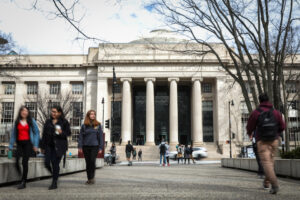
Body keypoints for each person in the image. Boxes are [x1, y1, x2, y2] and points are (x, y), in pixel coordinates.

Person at [247, 93, 285, 195]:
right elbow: (282, 126)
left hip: (262, 140)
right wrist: (277, 133)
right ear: (269, 100)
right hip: (274, 140)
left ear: (259, 101)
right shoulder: (276, 112)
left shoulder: (256, 112)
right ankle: (266, 182)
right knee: (270, 163)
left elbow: (250, 126)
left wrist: (250, 133)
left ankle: (275, 184)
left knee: (266, 163)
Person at [9, 106, 40, 189]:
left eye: (26, 111)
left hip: (28, 144)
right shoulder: (17, 122)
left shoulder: (31, 121)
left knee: (24, 162)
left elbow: (37, 132)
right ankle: (21, 176)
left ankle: (23, 182)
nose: (24, 112)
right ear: (20, 112)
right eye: (23, 110)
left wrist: (36, 145)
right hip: (19, 144)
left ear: (28, 113)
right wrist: (11, 145)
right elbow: (13, 134)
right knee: (16, 162)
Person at [41, 105, 71, 190]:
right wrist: (42, 146)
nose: (52, 113)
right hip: (48, 145)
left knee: (55, 163)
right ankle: (54, 174)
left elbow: (68, 133)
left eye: (54, 112)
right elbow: (43, 134)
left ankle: (54, 182)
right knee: (47, 163)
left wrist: (61, 132)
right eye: (52, 111)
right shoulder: (48, 121)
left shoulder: (64, 122)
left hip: (59, 146)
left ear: (59, 113)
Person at [78, 110, 103, 185]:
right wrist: (80, 146)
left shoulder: (98, 125)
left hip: (95, 146)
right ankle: (89, 178)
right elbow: (81, 137)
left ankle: (92, 177)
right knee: (88, 163)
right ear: (88, 115)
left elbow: (100, 137)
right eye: (91, 114)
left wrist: (101, 147)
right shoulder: (84, 126)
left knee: (92, 161)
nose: (93, 115)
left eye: (94, 114)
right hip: (86, 146)